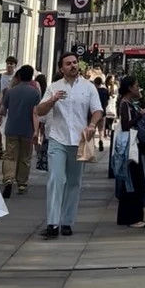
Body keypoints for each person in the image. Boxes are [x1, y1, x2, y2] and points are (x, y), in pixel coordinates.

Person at [36, 51, 103, 238]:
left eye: (75, 62)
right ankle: (52, 223)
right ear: (61, 68)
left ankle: (67, 221)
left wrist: (91, 125)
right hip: (58, 138)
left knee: (74, 182)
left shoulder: (88, 87)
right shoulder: (54, 87)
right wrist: (53, 99)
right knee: (56, 179)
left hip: (79, 140)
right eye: (68, 63)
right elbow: (39, 110)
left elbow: (98, 110)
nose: (73, 66)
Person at [0, 64, 40, 197]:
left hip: (11, 128)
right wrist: (36, 131)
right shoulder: (35, 93)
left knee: (10, 156)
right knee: (25, 157)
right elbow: (36, 113)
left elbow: (2, 110)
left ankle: (8, 179)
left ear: (19, 76)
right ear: (31, 77)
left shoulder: (11, 91)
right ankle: (22, 183)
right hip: (27, 129)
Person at [116, 76, 145, 228]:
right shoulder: (125, 104)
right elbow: (126, 125)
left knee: (133, 180)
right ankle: (133, 217)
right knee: (134, 180)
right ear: (129, 88)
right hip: (130, 146)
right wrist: (140, 115)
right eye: (136, 85)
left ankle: (128, 216)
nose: (138, 88)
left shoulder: (128, 103)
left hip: (132, 145)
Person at [0, 56, 18, 158]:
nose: (9, 65)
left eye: (12, 63)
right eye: (8, 63)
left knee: (7, 126)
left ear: (15, 65)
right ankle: (0, 145)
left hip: (12, 104)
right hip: (1, 102)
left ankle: (6, 146)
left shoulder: (16, 77)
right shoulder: (0, 76)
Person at [93, 78, 110, 151]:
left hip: (94, 112)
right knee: (101, 129)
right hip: (103, 112)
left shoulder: (94, 91)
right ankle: (101, 140)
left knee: (93, 127)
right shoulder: (105, 91)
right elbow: (107, 101)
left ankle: (93, 143)